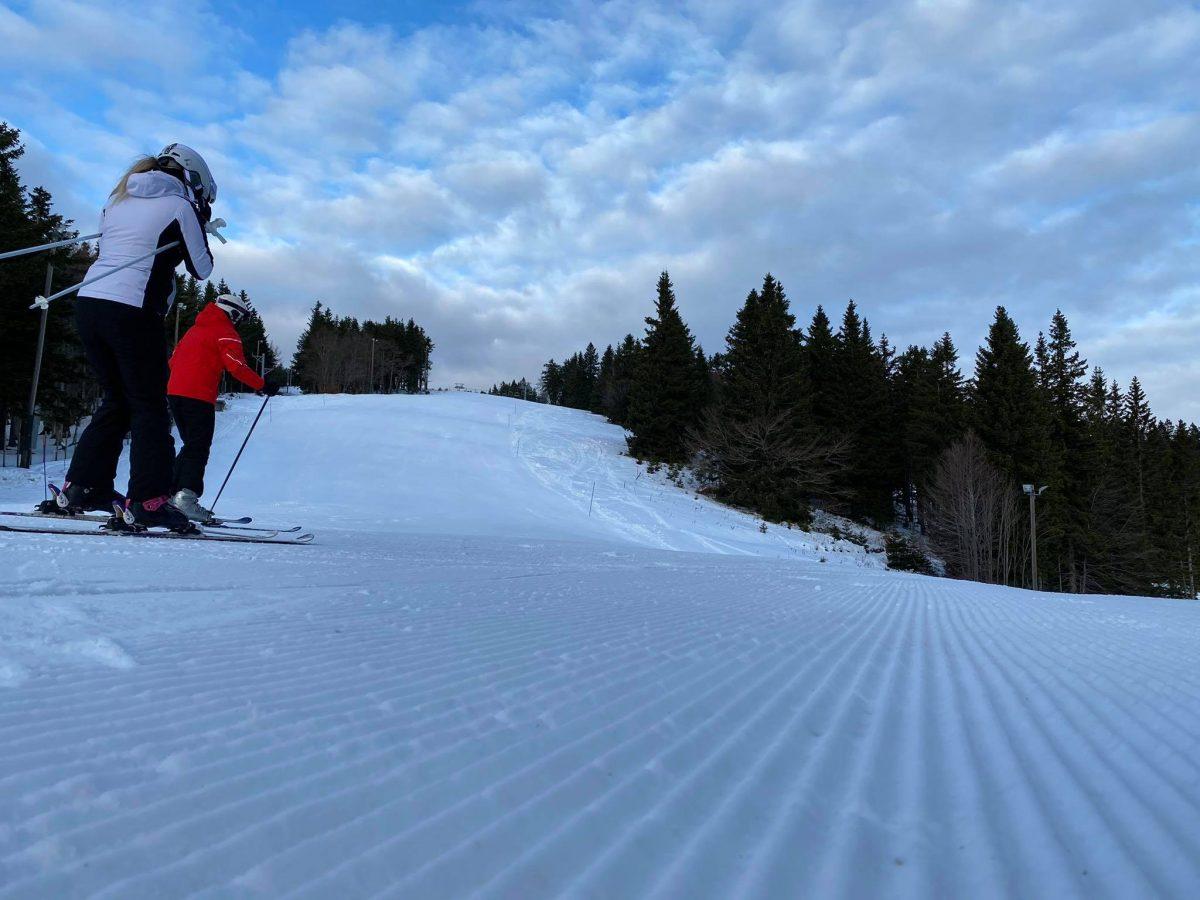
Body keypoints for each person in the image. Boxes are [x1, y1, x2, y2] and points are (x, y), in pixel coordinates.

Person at [54, 144, 217, 529]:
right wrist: (200, 222)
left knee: (118, 400)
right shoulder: (180, 205)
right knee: (148, 406)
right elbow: (203, 268)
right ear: (193, 180)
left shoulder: (118, 199)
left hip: (89, 303)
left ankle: (85, 486)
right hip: (131, 310)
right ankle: (150, 499)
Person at [167, 293, 278, 522]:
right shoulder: (225, 332)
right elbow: (237, 367)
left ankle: (172, 495)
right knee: (198, 447)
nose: (240, 323)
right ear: (233, 312)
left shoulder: (194, 330)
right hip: (198, 396)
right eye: (241, 318)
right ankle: (185, 498)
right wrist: (263, 384)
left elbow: (173, 360)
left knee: (190, 445)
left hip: (175, 393)